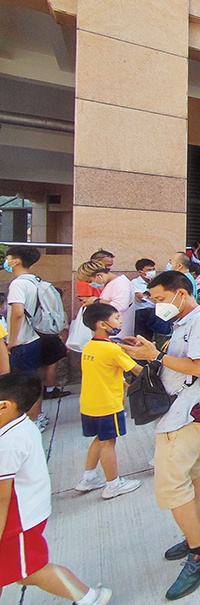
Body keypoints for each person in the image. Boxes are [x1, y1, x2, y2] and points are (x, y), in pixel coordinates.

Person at [118, 271, 200, 601]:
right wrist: (147, 354)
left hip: (183, 414)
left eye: (161, 299)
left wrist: (155, 356)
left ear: (181, 293)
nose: (157, 305)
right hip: (179, 412)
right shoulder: (183, 320)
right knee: (191, 476)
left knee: (172, 486)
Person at [0, 373, 113, 605]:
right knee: (16, 569)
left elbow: (2, 496)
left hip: (16, 520)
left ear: (4, 407)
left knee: (30, 571)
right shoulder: (20, 425)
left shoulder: (8, 443)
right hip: (25, 513)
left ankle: (90, 598)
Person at [73, 304, 143, 500]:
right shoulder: (112, 349)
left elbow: (105, 374)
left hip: (89, 404)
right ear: (103, 324)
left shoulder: (90, 346)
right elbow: (138, 370)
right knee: (108, 443)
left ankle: (88, 478)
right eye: (116, 318)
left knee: (100, 439)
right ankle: (113, 484)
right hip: (108, 405)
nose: (120, 322)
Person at [5, 246, 49, 428]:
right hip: (33, 338)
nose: (6, 262)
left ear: (16, 261)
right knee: (34, 380)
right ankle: (38, 415)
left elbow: (17, 313)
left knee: (23, 384)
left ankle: (32, 420)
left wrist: (12, 341)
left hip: (21, 342)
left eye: (8, 258)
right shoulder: (34, 281)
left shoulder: (17, 284)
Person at [131, 258, 158, 341]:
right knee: (143, 337)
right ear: (140, 272)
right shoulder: (135, 282)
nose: (152, 272)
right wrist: (153, 298)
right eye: (149, 270)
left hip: (155, 312)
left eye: (153, 269)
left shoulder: (156, 282)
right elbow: (141, 297)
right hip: (142, 313)